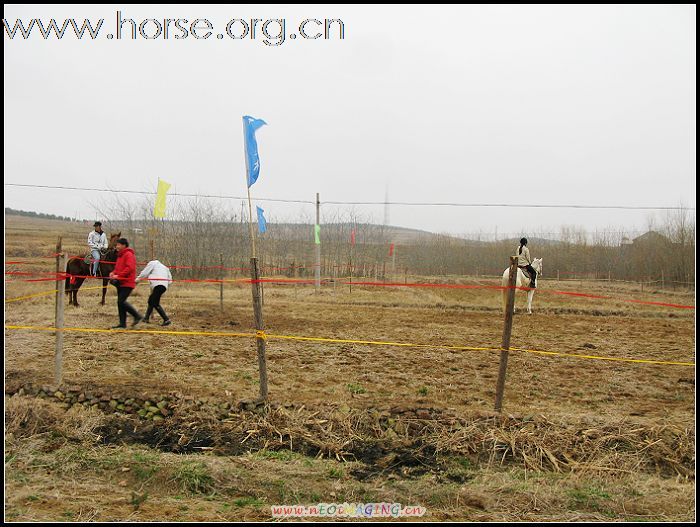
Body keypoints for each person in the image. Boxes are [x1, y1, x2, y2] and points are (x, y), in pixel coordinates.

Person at [108, 238, 143, 329]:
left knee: (121, 301)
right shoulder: (120, 256)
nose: (116, 247)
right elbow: (118, 268)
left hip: (127, 282)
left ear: (124, 245)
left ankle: (137, 316)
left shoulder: (128, 254)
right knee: (120, 303)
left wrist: (118, 275)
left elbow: (129, 268)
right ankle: (122, 324)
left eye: (118, 245)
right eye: (117, 245)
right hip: (120, 282)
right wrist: (113, 273)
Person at [136, 259, 173, 326]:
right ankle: (146, 318)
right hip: (163, 286)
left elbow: (145, 273)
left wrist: (137, 279)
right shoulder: (164, 267)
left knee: (154, 302)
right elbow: (170, 280)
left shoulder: (152, 263)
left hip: (158, 285)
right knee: (151, 300)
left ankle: (166, 319)